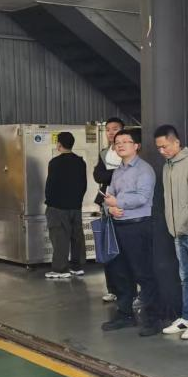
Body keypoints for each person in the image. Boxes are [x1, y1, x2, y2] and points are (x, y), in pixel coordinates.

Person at [101, 129, 162, 338]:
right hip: (118, 225)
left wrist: (118, 203)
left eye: (125, 141)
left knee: (143, 273)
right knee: (120, 272)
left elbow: (143, 197)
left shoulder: (144, 170)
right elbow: (108, 197)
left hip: (138, 226)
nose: (120, 145)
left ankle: (153, 318)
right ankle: (125, 314)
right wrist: (110, 208)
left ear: (136, 146)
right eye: (117, 142)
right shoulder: (117, 171)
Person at [153, 125, 188, 341]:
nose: (162, 151)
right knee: (185, 277)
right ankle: (187, 316)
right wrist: (176, 225)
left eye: (165, 146)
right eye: (159, 148)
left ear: (176, 142)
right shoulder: (167, 166)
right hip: (177, 231)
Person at [44, 131, 88, 280]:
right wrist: (77, 200)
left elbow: (50, 185)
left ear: (59, 145)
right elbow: (83, 184)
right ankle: (77, 266)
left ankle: (60, 269)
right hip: (76, 206)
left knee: (60, 237)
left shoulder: (55, 163)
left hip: (58, 207)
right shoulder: (80, 162)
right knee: (77, 236)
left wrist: (49, 201)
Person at [94, 117, 125, 302]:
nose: (111, 133)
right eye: (108, 130)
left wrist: (109, 174)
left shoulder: (128, 152)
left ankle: (128, 290)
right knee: (108, 247)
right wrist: (116, 173)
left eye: (115, 129)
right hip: (106, 205)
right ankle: (112, 288)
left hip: (124, 205)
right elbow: (98, 175)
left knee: (124, 250)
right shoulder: (105, 153)